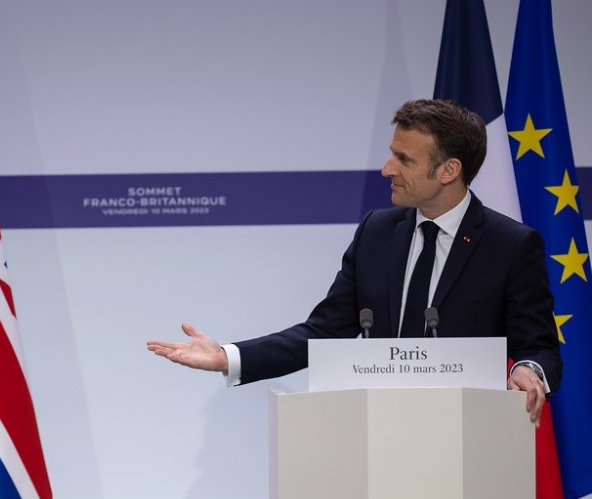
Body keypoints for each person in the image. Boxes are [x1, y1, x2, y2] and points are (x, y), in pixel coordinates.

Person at [147, 98, 560, 423]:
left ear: (449, 170)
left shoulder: (510, 245)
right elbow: (325, 332)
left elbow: (538, 344)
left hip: (472, 447)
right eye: (391, 153)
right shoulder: (377, 232)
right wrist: (230, 356)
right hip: (377, 439)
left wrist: (529, 370)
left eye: (404, 159)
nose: (386, 169)